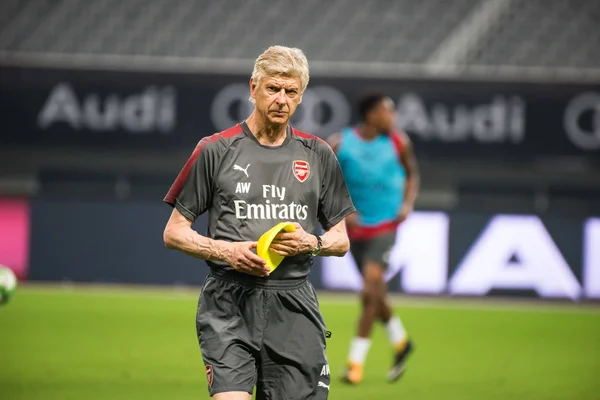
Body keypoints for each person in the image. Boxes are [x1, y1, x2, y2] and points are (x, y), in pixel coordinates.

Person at [162, 45, 356, 400]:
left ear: (301, 97)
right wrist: (225, 251)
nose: (281, 99)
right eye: (273, 89)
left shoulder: (318, 154)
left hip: (293, 303)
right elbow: (174, 232)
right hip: (229, 302)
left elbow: (341, 239)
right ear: (253, 89)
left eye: (291, 91)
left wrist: (311, 243)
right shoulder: (215, 149)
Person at [327, 93, 420, 385]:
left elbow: (412, 174)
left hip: (385, 225)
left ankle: (355, 365)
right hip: (354, 230)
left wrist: (407, 205)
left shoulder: (399, 142)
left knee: (369, 290)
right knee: (375, 292)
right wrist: (340, 211)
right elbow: (324, 180)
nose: (392, 117)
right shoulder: (340, 143)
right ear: (370, 114)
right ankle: (401, 341)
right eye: (386, 111)